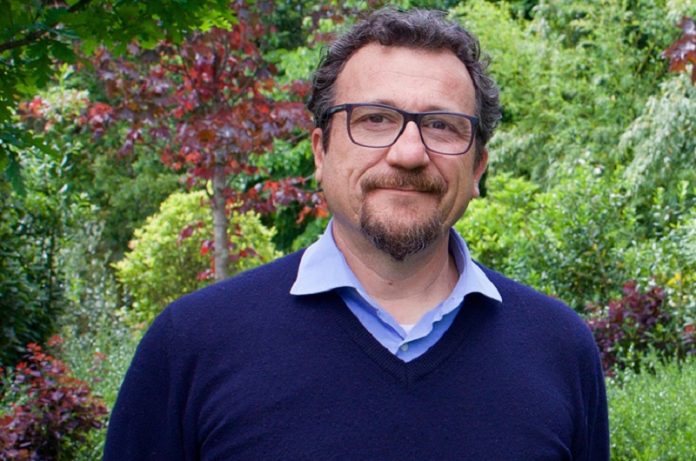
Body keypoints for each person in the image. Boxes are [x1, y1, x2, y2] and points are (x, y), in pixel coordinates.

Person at [104, 7, 609, 460]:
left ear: (478, 167)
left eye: (441, 125)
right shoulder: (191, 346)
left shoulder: (561, 350)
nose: (409, 153)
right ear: (320, 152)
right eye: (374, 119)